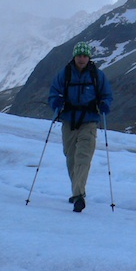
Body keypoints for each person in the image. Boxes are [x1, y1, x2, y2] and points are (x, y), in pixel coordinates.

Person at [48, 41, 113, 213]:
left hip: (89, 121)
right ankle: (76, 191)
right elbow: (54, 92)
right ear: (74, 56)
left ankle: (78, 195)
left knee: (83, 157)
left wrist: (105, 103)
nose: (82, 59)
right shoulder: (65, 74)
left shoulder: (97, 76)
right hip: (69, 121)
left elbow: (107, 94)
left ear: (89, 57)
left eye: (84, 55)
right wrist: (56, 102)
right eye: (79, 55)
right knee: (71, 157)